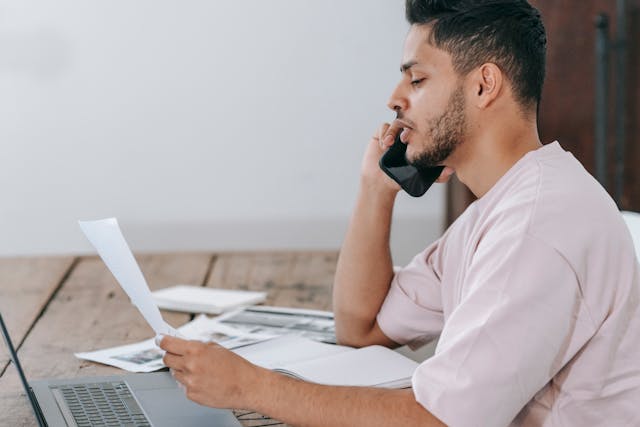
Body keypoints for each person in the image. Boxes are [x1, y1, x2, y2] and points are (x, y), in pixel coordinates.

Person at [159, 0, 640, 425]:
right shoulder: (500, 209)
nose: (395, 98)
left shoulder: (536, 227)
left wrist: (250, 388)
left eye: (417, 78)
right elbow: (361, 328)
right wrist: (376, 190)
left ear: (484, 85)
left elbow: (437, 421)